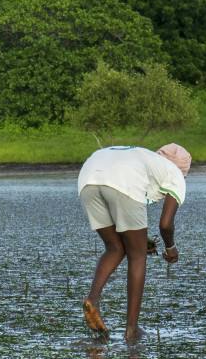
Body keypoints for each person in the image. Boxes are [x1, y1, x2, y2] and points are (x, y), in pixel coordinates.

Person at [76, 143, 190, 344]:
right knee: (137, 256)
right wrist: (170, 248)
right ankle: (131, 329)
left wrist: (140, 240)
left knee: (115, 247)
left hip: (88, 177)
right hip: (123, 182)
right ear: (183, 170)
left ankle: (92, 299)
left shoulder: (145, 158)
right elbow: (165, 224)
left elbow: (125, 216)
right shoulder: (175, 173)